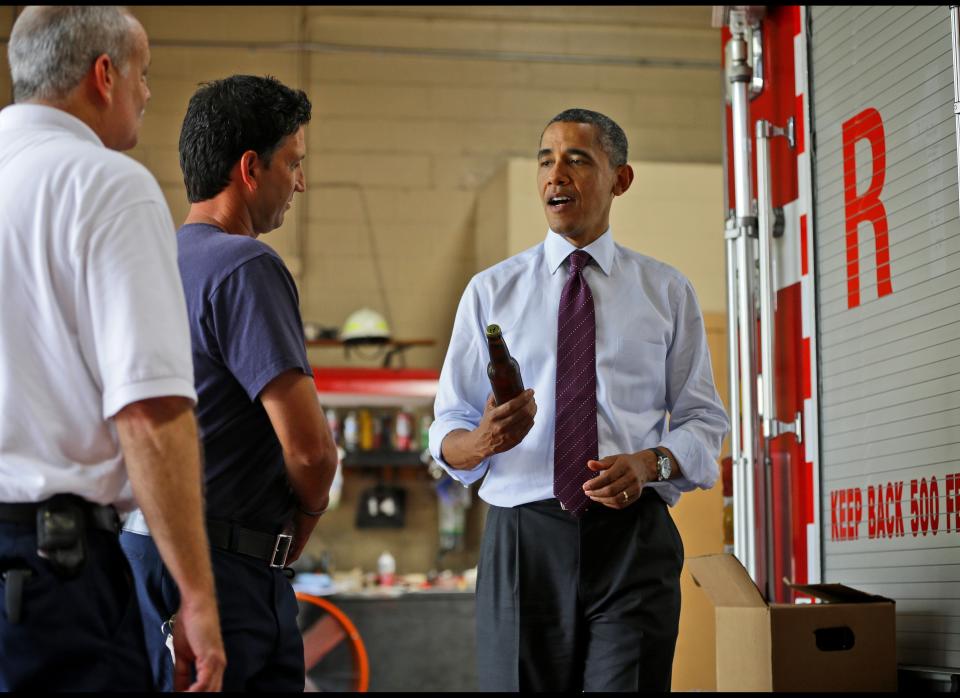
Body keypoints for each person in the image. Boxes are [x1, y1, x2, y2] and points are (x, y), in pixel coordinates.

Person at [429, 108, 730, 692]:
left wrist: (651, 464)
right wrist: (480, 441)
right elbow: (448, 426)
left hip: (631, 541)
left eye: (577, 159)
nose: (555, 175)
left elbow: (703, 421)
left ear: (621, 178)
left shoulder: (666, 291)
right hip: (523, 543)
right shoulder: (491, 291)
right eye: (546, 160)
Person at [0, 6, 225, 692]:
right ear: (105, 75)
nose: (149, 93)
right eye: (144, 74)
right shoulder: (105, 185)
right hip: (51, 573)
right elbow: (149, 416)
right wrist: (195, 595)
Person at [120, 74, 339, 692]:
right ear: (250, 168)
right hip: (225, 571)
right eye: (293, 163)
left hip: (145, 557)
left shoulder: (157, 262)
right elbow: (311, 450)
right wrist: (304, 521)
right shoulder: (246, 265)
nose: (300, 182)